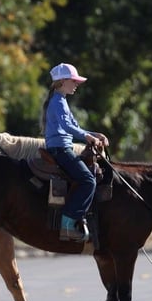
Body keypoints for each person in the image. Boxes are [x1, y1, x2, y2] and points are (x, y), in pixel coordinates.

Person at [42, 63, 109, 242]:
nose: (76, 84)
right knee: (88, 180)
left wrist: (96, 135)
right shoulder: (57, 101)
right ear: (62, 82)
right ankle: (68, 224)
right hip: (60, 149)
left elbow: (75, 127)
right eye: (74, 81)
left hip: (63, 147)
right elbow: (67, 127)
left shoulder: (60, 100)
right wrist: (88, 138)